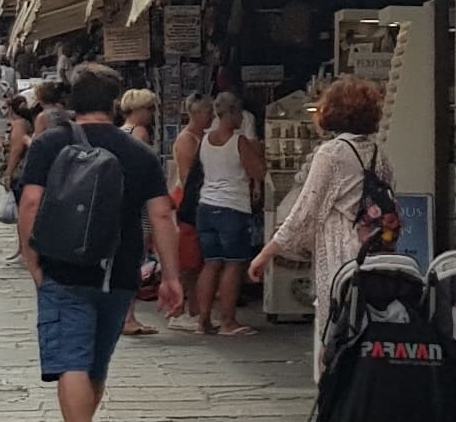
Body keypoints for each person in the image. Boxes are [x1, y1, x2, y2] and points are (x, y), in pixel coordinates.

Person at [14, 64, 169, 422]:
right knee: (94, 366)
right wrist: (171, 277)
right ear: (115, 104)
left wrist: (32, 259)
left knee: (71, 363)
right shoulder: (139, 153)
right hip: (119, 272)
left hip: (64, 268)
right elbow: (160, 215)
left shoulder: (50, 144)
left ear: (71, 102)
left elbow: (30, 204)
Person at [260, 80, 391, 376]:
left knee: (334, 322)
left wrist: (266, 253)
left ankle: (332, 395)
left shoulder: (330, 153)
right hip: (374, 248)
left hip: (339, 249)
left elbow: (304, 212)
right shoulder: (376, 153)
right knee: (364, 325)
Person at [174, 92, 266, 337]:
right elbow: (258, 169)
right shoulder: (239, 141)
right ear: (233, 113)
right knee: (233, 265)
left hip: (206, 207)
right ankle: (228, 321)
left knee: (211, 263)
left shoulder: (204, 140)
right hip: (232, 208)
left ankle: (203, 320)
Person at [115, 87, 168, 337]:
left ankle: (124, 315)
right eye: (149, 108)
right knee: (135, 260)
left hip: (122, 206)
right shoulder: (139, 134)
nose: (152, 114)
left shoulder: (118, 133)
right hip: (139, 208)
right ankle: (128, 317)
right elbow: (141, 173)